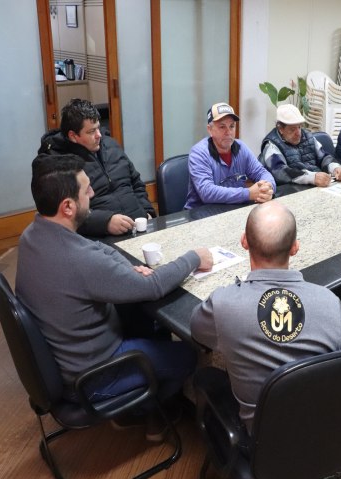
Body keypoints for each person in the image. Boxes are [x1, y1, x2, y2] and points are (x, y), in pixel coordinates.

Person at [16, 153, 213, 441]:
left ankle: (142, 400)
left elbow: (97, 250)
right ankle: (143, 411)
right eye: (86, 190)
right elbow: (154, 286)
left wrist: (123, 268)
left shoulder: (32, 235)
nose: (93, 194)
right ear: (68, 206)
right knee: (188, 354)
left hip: (67, 359)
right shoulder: (78, 260)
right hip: (94, 377)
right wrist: (194, 257)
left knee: (142, 319)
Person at [190, 201, 341, 433]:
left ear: (244, 242)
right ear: (295, 248)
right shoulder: (330, 302)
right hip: (320, 429)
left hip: (258, 435)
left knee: (207, 375)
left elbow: (197, 330)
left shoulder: (222, 304)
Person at [38, 98, 155, 237]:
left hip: (139, 226)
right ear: (73, 136)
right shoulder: (60, 163)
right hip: (101, 236)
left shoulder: (110, 145)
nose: (99, 135)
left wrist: (147, 211)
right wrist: (105, 223)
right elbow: (66, 213)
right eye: (91, 131)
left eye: (98, 127)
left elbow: (136, 182)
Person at [184, 102, 276, 209]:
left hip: (234, 209)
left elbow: (261, 172)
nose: (228, 132)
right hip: (201, 213)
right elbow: (207, 192)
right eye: (222, 127)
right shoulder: (199, 153)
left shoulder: (241, 148)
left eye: (232, 126)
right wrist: (248, 193)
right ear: (210, 130)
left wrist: (268, 188)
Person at [260, 104, 341, 186]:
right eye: (292, 129)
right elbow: (280, 172)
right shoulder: (271, 145)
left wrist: (335, 168)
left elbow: (324, 157)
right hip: (292, 189)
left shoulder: (307, 136)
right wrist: (311, 178)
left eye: (299, 127)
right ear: (280, 129)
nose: (298, 133)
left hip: (315, 185)